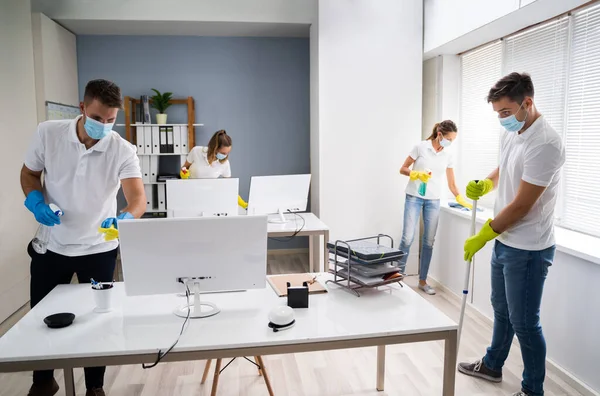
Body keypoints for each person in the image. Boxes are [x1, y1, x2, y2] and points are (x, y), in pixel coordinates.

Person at [21, 79, 146, 396]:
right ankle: (43, 380)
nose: (103, 125)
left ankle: (95, 387)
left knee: (98, 322)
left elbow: (138, 199)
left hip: (99, 247)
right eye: (97, 117)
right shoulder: (49, 133)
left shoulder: (121, 149)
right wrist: (35, 201)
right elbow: (30, 173)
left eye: (110, 120)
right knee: (43, 317)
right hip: (53, 245)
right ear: (82, 107)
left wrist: (125, 218)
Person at [457, 72, 565, 396]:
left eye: (505, 112)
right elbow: (505, 166)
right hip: (505, 241)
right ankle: (492, 365)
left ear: (526, 103)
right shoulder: (513, 130)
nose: (501, 119)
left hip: (529, 248)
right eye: (498, 113)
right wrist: (487, 183)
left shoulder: (546, 143)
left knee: (526, 324)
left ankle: (533, 390)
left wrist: (483, 235)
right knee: (501, 310)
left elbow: (521, 206)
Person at [398, 120, 471, 295]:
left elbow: (452, 183)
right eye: (449, 139)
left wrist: (460, 198)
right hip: (414, 197)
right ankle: (397, 276)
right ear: (439, 134)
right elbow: (403, 168)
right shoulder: (421, 147)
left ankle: (422, 281)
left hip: (434, 200)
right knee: (407, 238)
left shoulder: (448, 156)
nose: (450, 143)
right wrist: (415, 174)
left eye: (453, 140)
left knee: (428, 242)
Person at [180, 129, 247, 208]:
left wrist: (242, 203)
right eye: (223, 153)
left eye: (228, 153)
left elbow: (229, 186)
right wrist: (183, 175)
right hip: (190, 195)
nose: (225, 155)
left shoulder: (224, 163)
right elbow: (184, 167)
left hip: (209, 199)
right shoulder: (196, 151)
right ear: (214, 148)